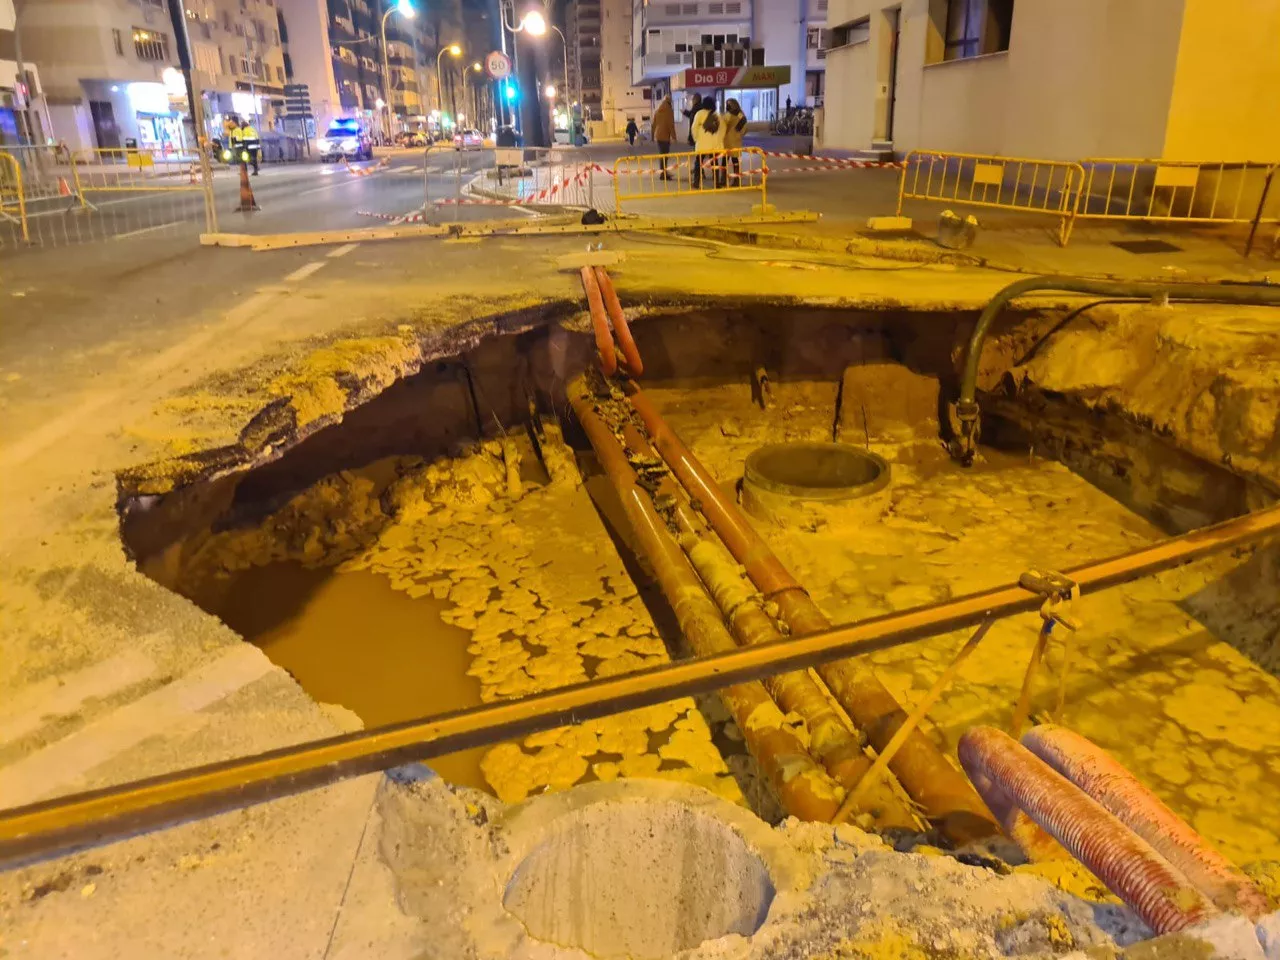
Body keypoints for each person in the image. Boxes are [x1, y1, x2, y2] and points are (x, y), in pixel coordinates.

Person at [690, 99, 724, 189]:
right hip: (714, 144)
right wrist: (719, 140)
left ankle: (696, 182)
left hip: (702, 144)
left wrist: (696, 138)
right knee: (715, 163)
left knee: (698, 162)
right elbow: (722, 129)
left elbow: (694, 128)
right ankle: (716, 183)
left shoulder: (699, 114)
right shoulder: (717, 115)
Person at [723, 98, 747, 182]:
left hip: (727, 141)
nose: (727, 106)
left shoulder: (728, 115)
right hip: (736, 140)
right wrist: (739, 132)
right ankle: (736, 179)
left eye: (728, 104)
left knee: (724, 161)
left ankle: (724, 180)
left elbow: (723, 126)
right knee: (735, 161)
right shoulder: (740, 114)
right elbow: (744, 125)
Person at [652, 95, 676, 180]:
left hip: (658, 136)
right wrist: (674, 137)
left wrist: (652, 136)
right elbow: (671, 125)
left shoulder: (657, 111)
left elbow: (653, 124)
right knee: (665, 156)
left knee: (662, 155)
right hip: (665, 137)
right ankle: (663, 174)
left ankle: (663, 173)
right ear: (669, 102)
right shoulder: (669, 111)